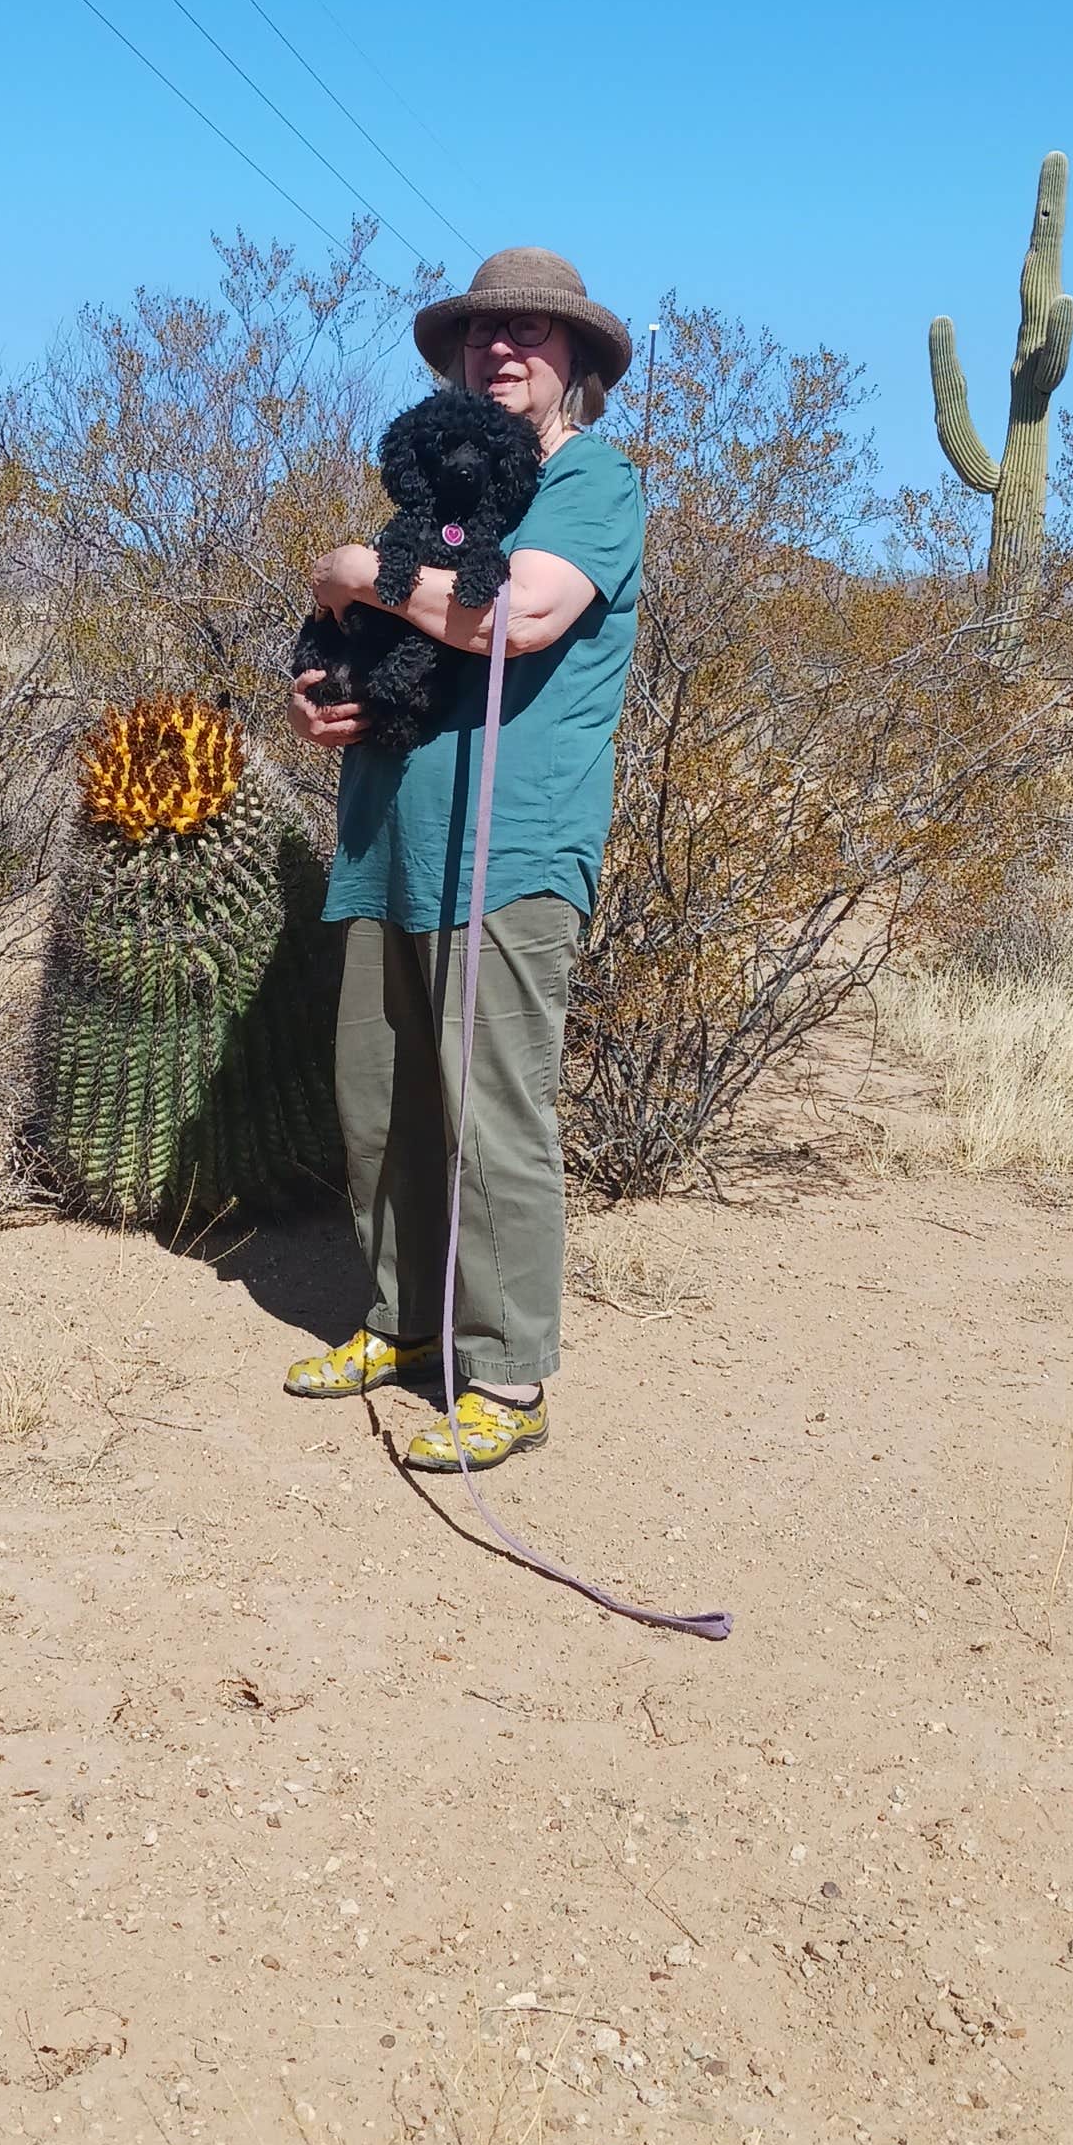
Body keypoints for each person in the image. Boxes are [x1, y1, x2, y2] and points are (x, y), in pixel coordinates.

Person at [284, 246, 644, 1473]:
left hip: (508, 846)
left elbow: (516, 617)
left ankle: (505, 1373)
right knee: (381, 1098)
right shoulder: (442, 487)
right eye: (485, 331)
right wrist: (316, 697)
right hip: (388, 836)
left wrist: (354, 571)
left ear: (575, 359)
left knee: (493, 1115)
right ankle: (403, 1321)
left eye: (532, 333)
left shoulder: (589, 481)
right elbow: (363, 641)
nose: (504, 349)